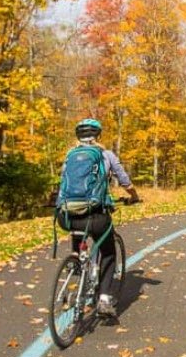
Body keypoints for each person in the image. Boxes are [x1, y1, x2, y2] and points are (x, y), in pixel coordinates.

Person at [55, 118, 140, 317]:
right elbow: (124, 180)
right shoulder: (105, 154)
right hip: (95, 216)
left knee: (79, 234)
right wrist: (134, 197)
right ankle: (103, 298)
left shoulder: (69, 156)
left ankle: (77, 262)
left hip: (66, 215)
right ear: (97, 135)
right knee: (108, 251)